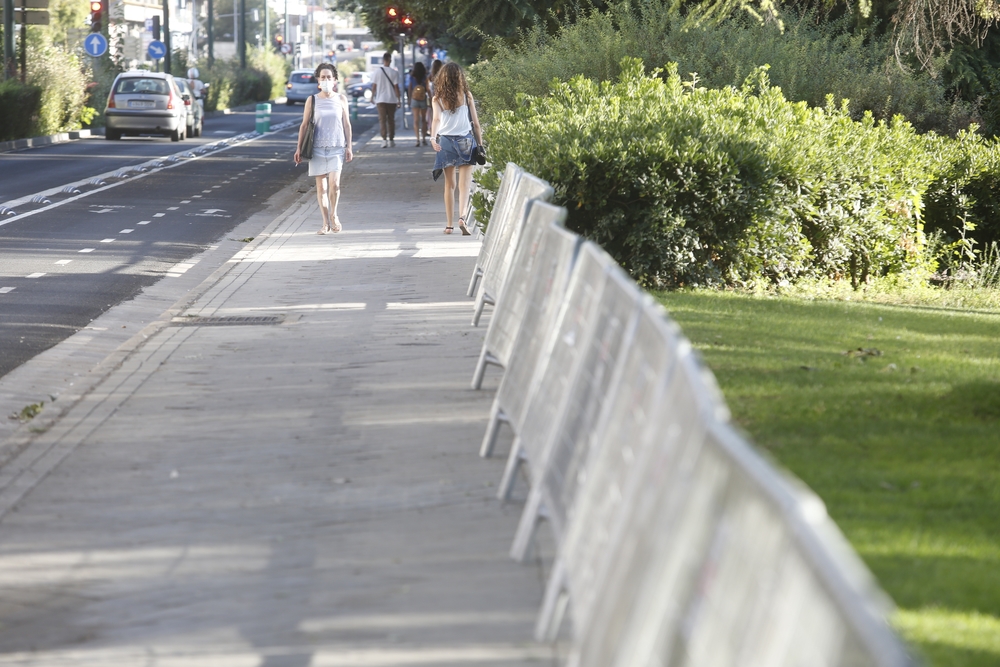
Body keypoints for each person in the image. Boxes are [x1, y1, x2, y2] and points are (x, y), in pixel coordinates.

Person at [294, 62, 353, 234]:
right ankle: (325, 223)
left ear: (334, 80)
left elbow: (347, 125)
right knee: (321, 188)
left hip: (336, 147)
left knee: (334, 185)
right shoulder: (312, 100)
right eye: (323, 77)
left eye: (329, 77)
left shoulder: (341, 99)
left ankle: (334, 215)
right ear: (318, 81)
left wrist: (349, 146)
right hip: (317, 148)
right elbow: (304, 125)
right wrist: (298, 148)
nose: (326, 80)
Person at [429, 62, 483, 236]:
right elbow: (475, 122)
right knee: (464, 185)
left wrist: (432, 138)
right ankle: (463, 217)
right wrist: (480, 144)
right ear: (460, 77)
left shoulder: (437, 99)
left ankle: (449, 225)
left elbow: (436, 120)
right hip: (465, 141)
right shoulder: (467, 95)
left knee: (449, 185)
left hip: (445, 142)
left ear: (442, 78)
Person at [371, 51, 401, 148]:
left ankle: (384, 140)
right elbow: (396, 87)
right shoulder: (394, 73)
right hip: (392, 100)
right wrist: (399, 100)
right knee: (391, 120)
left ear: (383, 60)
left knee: (382, 120)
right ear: (390, 60)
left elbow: (374, 86)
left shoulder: (377, 72)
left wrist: (372, 97)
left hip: (380, 100)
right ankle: (391, 140)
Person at [408, 62, 429, 147]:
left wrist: (409, 99)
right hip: (423, 99)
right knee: (423, 119)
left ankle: (417, 140)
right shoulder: (425, 77)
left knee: (416, 120)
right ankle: (424, 139)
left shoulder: (412, 77)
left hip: (414, 99)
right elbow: (427, 89)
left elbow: (410, 88)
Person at [425, 59, 443, 141]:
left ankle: (434, 134)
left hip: (434, 98)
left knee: (434, 117)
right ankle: (441, 132)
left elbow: (427, 88)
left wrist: (430, 95)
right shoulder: (443, 75)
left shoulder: (430, 76)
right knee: (442, 116)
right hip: (442, 98)